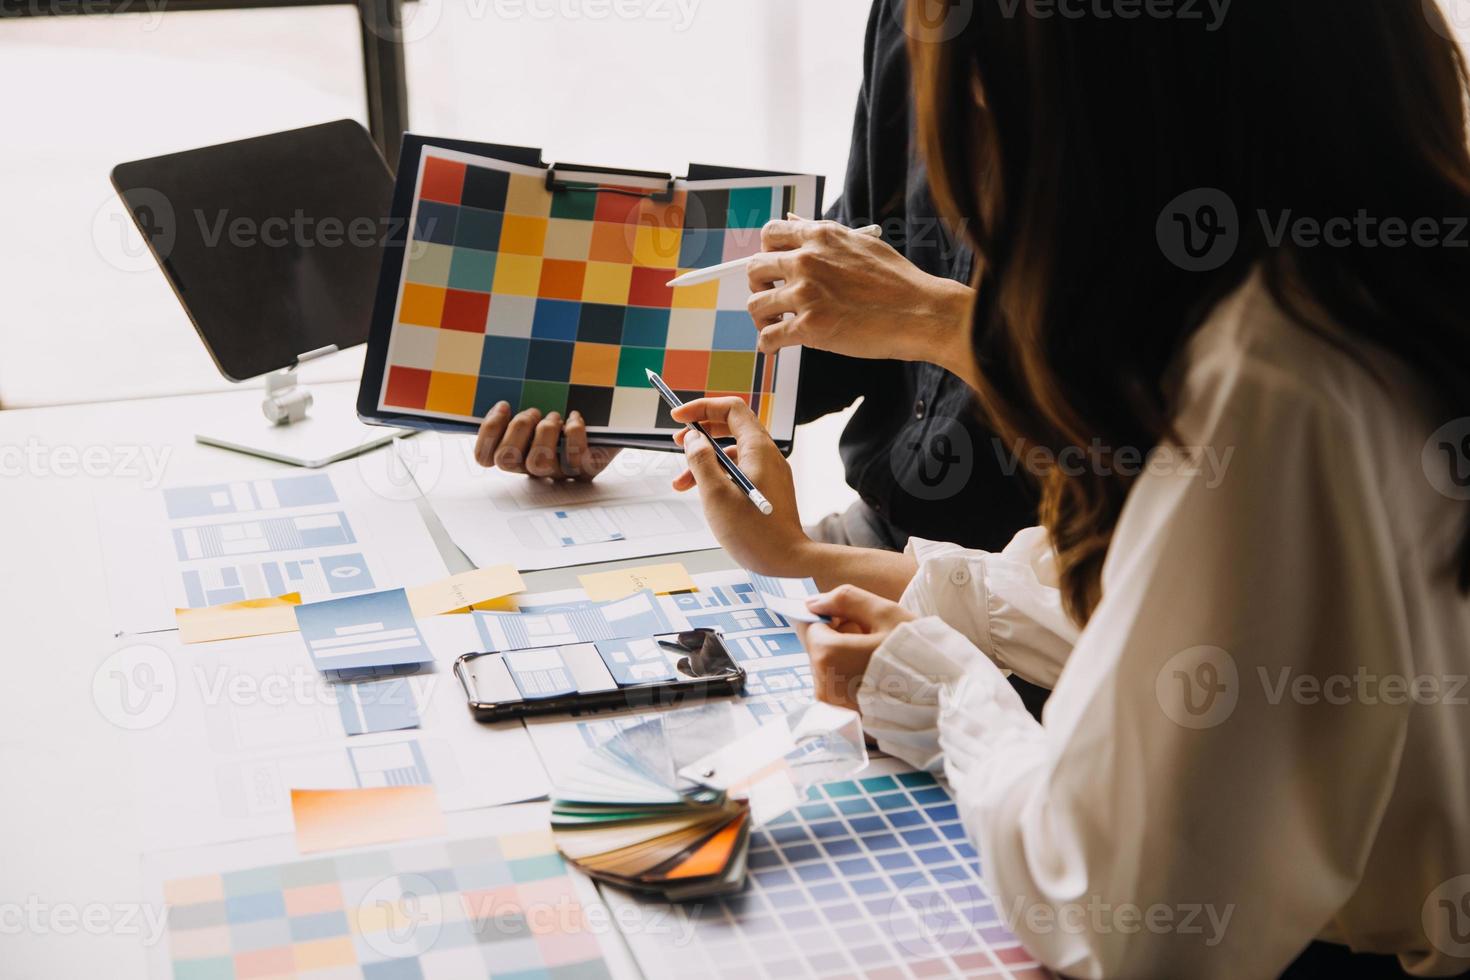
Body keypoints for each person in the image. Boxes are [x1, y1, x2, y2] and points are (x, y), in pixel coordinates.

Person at [668, 1, 1470, 977]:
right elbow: (1180, 600)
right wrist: (819, 561)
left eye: (982, 112)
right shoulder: (1372, 288)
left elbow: (1122, 915)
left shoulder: (1264, 375)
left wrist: (946, 686)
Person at [471, 0, 1037, 556]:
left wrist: (939, 321)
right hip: (875, 532)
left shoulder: (1113, 69)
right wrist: (625, 414)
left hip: (1047, 585)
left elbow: (1115, 422)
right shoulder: (908, 14)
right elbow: (836, 320)